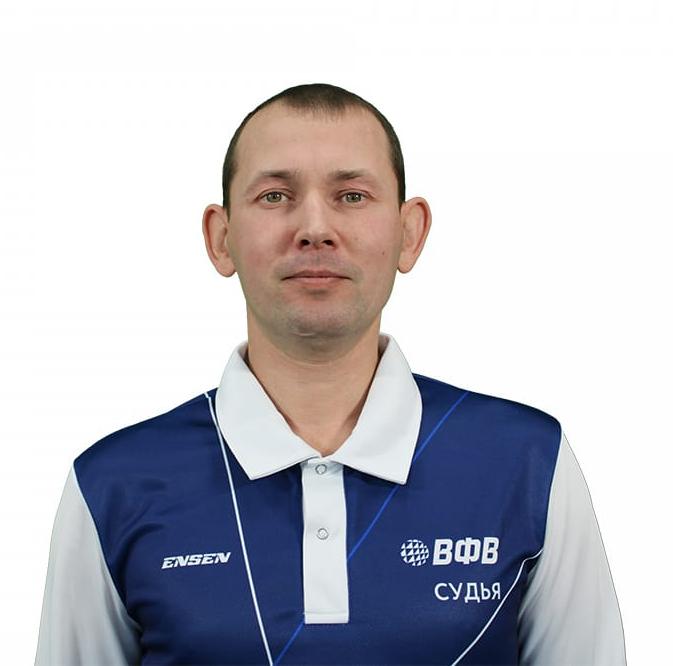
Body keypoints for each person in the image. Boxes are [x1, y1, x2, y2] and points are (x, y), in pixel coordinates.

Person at [35, 82, 626, 665]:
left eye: (352, 196)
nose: (315, 227)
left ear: (410, 233)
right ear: (221, 238)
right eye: (275, 196)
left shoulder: (528, 463)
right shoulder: (112, 484)